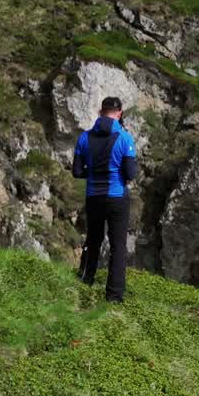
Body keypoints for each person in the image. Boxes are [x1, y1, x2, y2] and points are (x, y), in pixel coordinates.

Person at [72, 97, 138, 302]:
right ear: (119, 113)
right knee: (118, 246)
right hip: (117, 197)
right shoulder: (125, 138)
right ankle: (114, 296)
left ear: (101, 112)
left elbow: (76, 171)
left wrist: (93, 173)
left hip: (94, 197)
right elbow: (131, 173)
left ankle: (85, 280)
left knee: (93, 239)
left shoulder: (84, 138)